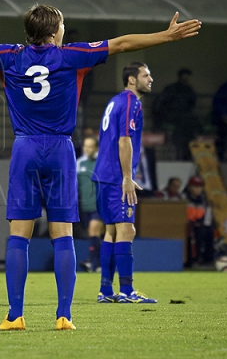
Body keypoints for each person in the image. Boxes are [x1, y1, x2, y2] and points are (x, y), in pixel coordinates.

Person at [0, 6, 201, 330]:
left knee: (19, 235)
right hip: (60, 149)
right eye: (62, 24)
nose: (64, 28)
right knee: (63, 235)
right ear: (53, 32)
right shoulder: (72, 55)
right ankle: (64, 316)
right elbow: (120, 44)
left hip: (25, 148)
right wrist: (166, 35)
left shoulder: (7, 56)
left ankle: (15, 315)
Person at [93, 63, 158, 304]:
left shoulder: (115, 101)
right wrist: (127, 177)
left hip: (103, 175)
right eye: (145, 75)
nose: (151, 79)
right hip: (115, 177)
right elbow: (124, 141)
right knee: (126, 230)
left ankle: (106, 291)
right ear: (132, 79)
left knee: (111, 232)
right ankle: (127, 291)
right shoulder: (132, 102)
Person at [152, 68, 200, 160]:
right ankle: (180, 155)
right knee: (180, 133)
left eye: (187, 76)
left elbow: (192, 104)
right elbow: (161, 105)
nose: (186, 78)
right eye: (184, 76)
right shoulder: (171, 89)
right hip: (172, 118)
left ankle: (188, 155)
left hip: (185, 119)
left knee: (192, 127)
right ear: (179, 77)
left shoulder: (189, 90)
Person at [76, 136, 103, 273]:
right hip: (84, 206)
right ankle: (99, 264)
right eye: (85, 146)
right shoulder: (79, 163)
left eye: (90, 146)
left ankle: (88, 261)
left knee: (94, 231)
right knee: (94, 236)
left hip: (98, 204)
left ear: (96, 148)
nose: (87, 149)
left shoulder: (101, 162)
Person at [184, 176, 214, 267]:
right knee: (198, 232)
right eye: (195, 186)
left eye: (200, 187)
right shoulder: (184, 199)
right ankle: (194, 259)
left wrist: (201, 222)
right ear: (189, 187)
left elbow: (205, 216)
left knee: (209, 231)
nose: (198, 189)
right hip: (187, 224)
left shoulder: (203, 201)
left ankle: (208, 258)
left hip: (199, 224)